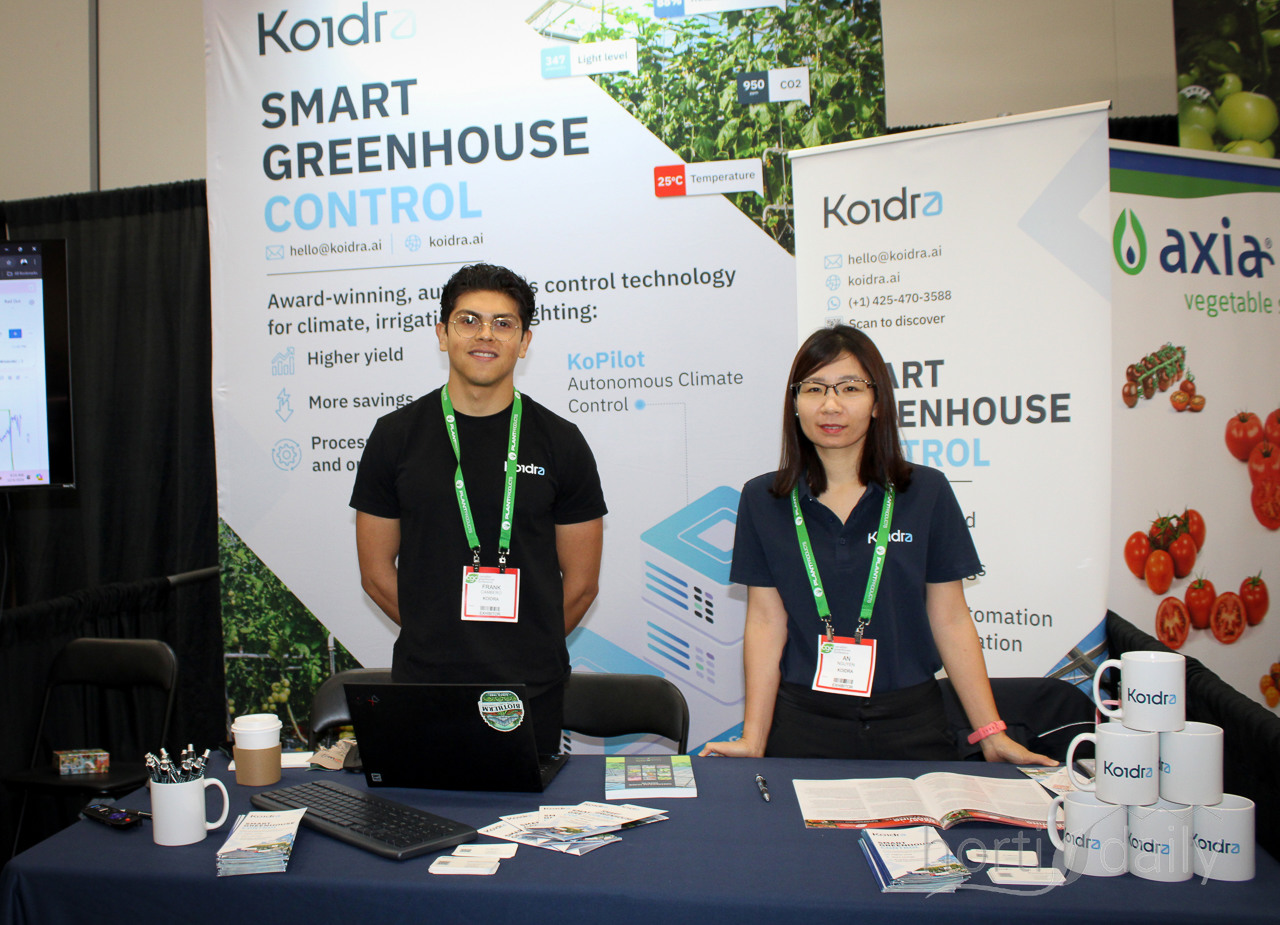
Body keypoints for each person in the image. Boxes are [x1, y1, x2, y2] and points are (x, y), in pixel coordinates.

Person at [701, 325, 1055, 765]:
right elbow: (765, 621)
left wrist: (991, 734)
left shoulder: (925, 491)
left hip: (912, 724)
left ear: (877, 402)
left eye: (850, 388)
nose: (831, 405)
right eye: (814, 388)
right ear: (794, 403)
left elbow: (949, 618)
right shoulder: (764, 499)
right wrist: (754, 739)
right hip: (803, 727)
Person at [350, 263, 607, 755]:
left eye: (503, 323)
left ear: (524, 342)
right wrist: (436, 637)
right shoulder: (394, 437)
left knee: (531, 805)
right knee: (425, 804)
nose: (485, 334)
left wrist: (526, 646)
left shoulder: (562, 442)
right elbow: (376, 574)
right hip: (426, 685)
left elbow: (582, 584)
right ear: (442, 334)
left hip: (531, 687)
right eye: (468, 320)